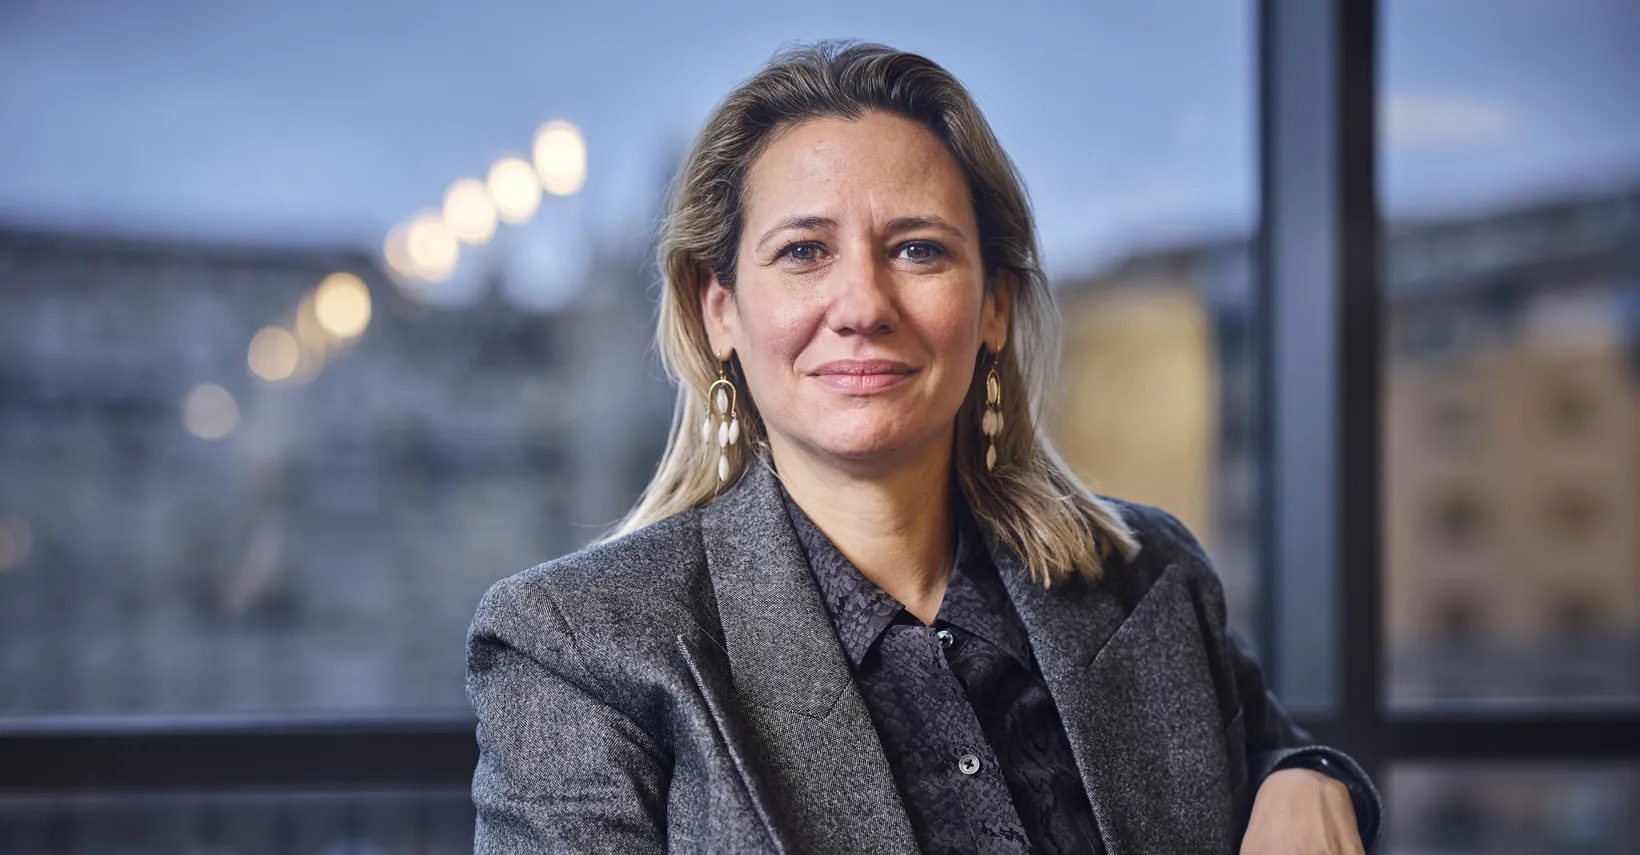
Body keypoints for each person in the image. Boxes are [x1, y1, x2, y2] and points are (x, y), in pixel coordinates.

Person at [466, 41, 1381, 855]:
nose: (862, 305)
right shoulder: (581, 649)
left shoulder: (1147, 580)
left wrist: (1311, 773)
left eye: (917, 250)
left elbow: (1275, 758)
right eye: (802, 252)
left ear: (993, 306)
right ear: (720, 310)